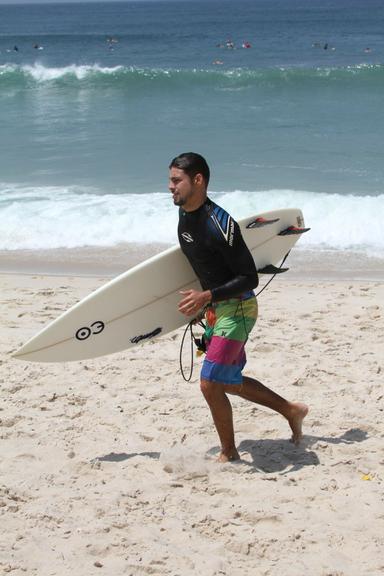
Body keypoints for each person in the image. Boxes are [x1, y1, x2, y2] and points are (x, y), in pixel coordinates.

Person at [169, 152, 308, 462]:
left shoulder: (220, 224)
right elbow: (207, 268)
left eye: (177, 180)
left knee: (209, 383)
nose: (170, 186)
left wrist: (205, 296)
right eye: (170, 180)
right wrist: (204, 306)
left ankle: (228, 453)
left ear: (198, 180)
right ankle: (291, 410)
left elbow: (248, 279)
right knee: (228, 381)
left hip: (240, 309)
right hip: (216, 311)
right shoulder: (184, 215)